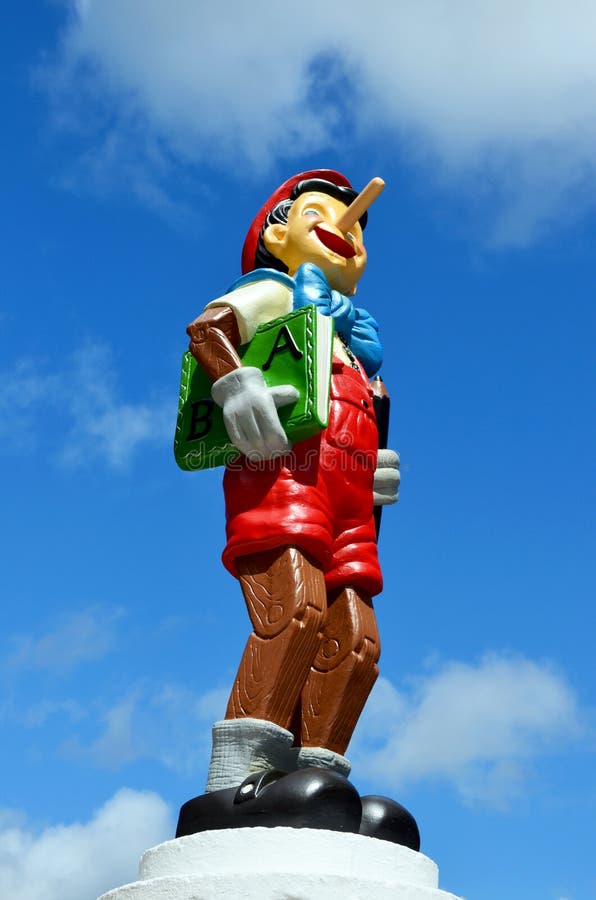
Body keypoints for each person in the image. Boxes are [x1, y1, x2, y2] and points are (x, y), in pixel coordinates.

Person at [177, 171, 417, 847]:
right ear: (278, 234)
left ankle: (319, 778)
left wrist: (377, 475)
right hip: (281, 479)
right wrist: (233, 379)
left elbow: (371, 427)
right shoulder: (277, 293)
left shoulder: (360, 353)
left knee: (357, 640)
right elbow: (212, 326)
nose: (346, 230)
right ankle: (237, 783)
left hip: (347, 505)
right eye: (323, 214)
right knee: (297, 607)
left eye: (359, 230)